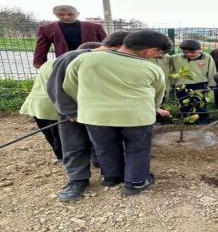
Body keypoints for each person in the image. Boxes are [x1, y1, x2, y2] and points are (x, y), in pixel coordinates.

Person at [62, 30, 172, 196]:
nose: (158, 57)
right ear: (150, 51)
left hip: (96, 116)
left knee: (105, 147)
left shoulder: (85, 59)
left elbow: (70, 86)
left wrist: (88, 103)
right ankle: (135, 182)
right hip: (137, 117)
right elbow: (157, 95)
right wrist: (154, 108)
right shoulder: (151, 68)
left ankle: (112, 177)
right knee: (137, 148)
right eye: (159, 53)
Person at [47, 31, 131, 201]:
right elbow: (56, 88)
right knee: (75, 144)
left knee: (104, 141)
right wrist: (71, 112)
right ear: (119, 46)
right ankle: (77, 179)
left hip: (102, 110)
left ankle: (103, 166)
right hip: (75, 112)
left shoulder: (112, 60)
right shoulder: (72, 57)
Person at [33, 5, 107, 68]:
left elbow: (107, 44)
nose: (66, 17)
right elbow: (41, 47)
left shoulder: (95, 27)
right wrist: (39, 63)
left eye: (70, 14)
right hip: (65, 60)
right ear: (55, 14)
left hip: (91, 60)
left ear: (77, 14)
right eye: (61, 15)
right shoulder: (46, 29)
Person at [20, 59, 62, 161]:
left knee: (48, 132)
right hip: (52, 105)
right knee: (58, 135)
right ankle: (62, 156)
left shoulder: (50, 62)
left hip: (35, 103)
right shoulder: (72, 63)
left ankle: (59, 156)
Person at [171, 40, 216, 124]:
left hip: (200, 84)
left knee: (199, 103)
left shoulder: (207, 58)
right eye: (185, 52)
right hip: (181, 85)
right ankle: (186, 119)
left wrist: (211, 85)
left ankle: (202, 119)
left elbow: (212, 71)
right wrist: (172, 84)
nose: (189, 54)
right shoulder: (174, 58)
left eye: (192, 52)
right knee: (184, 103)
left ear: (200, 49)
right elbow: (171, 71)